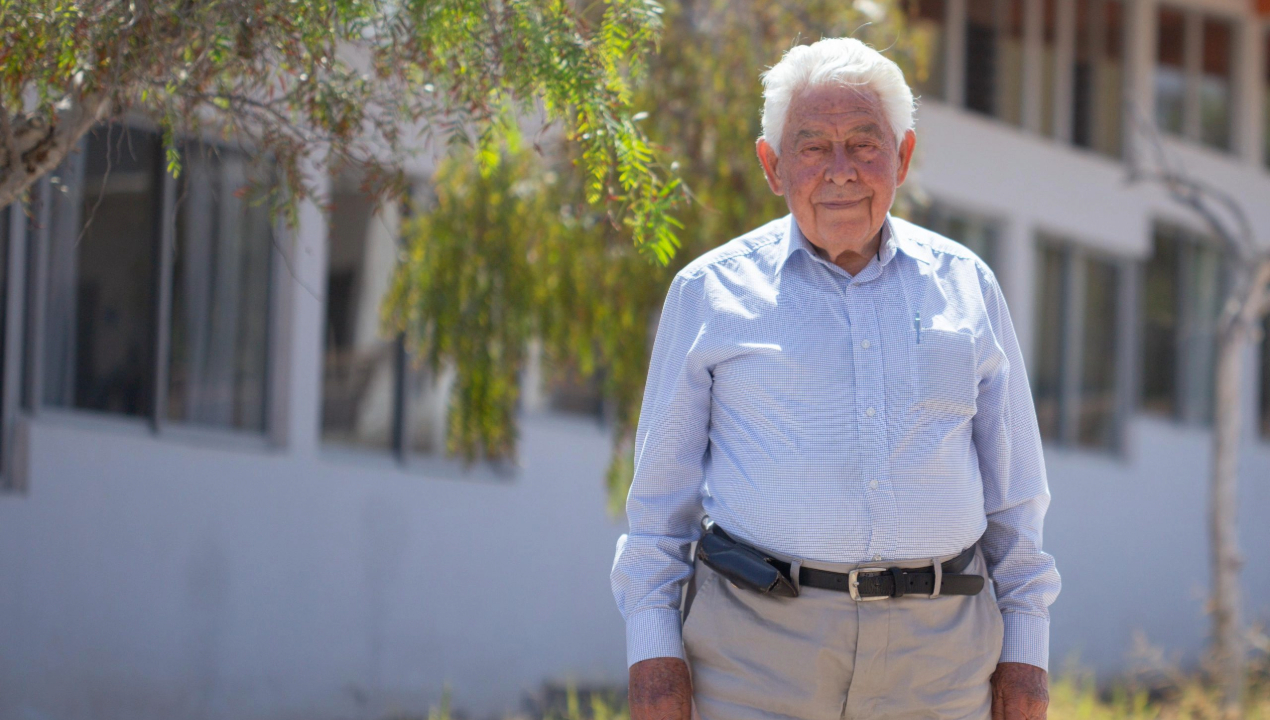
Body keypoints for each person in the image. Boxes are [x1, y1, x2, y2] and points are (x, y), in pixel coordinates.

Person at [610, 37, 1061, 720]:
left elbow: (1016, 501)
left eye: (864, 143)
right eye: (813, 146)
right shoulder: (709, 292)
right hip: (754, 656)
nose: (841, 170)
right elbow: (657, 510)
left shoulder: (969, 286)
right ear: (773, 165)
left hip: (941, 663)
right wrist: (652, 656)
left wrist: (1027, 654)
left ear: (903, 156)